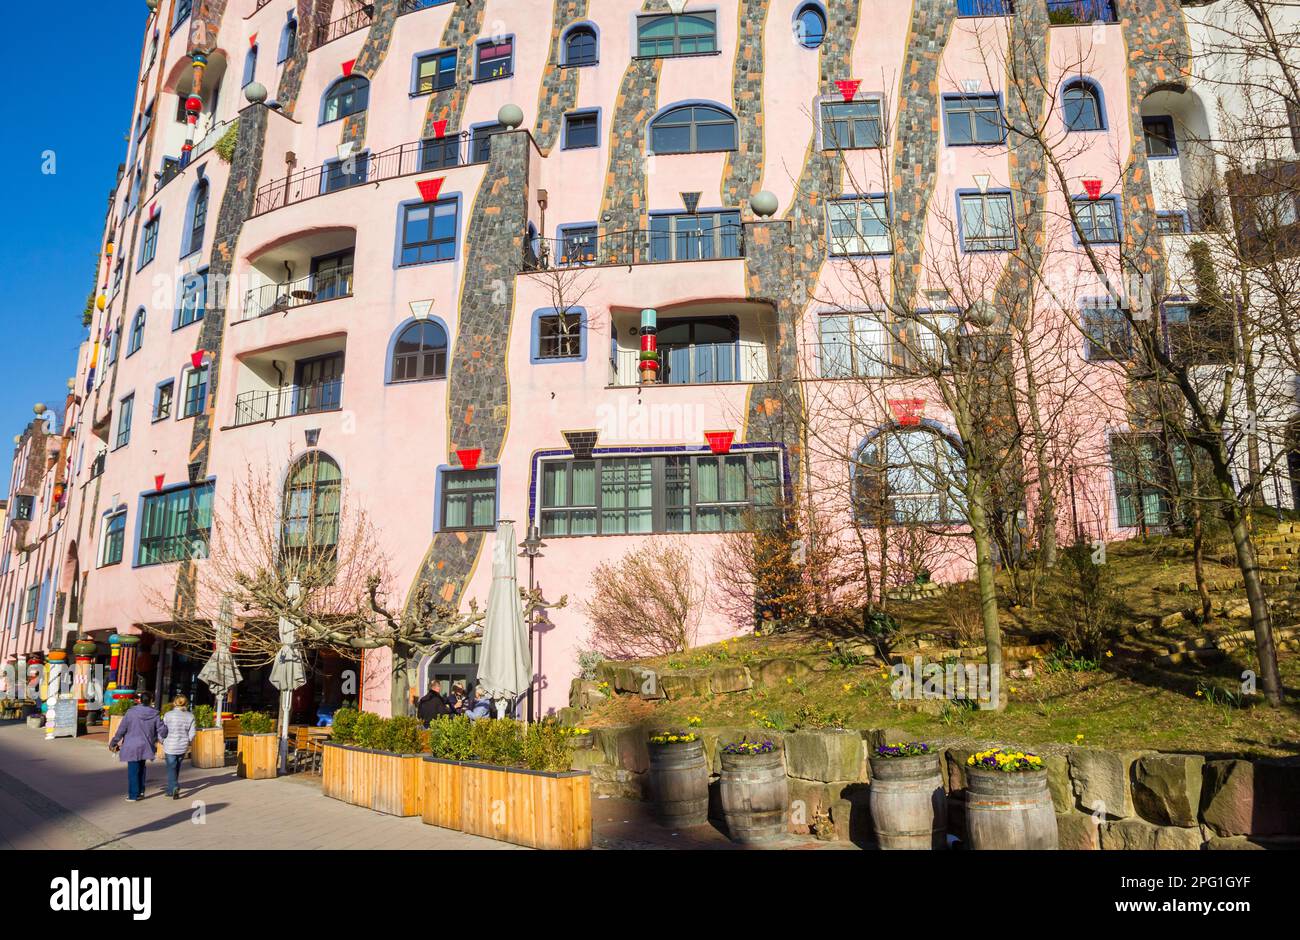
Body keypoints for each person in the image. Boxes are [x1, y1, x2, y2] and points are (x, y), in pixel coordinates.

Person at [108, 692, 166, 802]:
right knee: (141, 768)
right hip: (146, 745)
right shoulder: (155, 714)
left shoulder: (131, 713)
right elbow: (162, 731)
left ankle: (133, 795)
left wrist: (114, 742)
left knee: (133, 771)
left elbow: (122, 729)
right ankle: (140, 792)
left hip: (132, 745)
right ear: (150, 701)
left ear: (140, 700)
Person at [160, 694, 197, 799]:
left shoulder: (168, 715)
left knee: (171, 768)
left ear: (174, 703)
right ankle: (171, 789)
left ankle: (174, 786)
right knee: (176, 767)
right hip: (182, 745)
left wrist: (162, 740)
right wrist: (188, 740)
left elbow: (162, 729)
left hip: (170, 745)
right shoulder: (190, 716)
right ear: (186, 703)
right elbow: (192, 733)